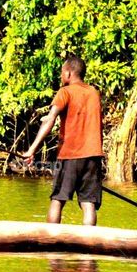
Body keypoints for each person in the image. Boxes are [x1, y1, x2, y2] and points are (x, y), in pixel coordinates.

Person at [21, 55, 104, 225]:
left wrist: (32, 150)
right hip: (93, 156)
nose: (61, 76)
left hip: (70, 155)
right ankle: (88, 244)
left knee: (57, 199)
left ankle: (51, 241)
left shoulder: (64, 92)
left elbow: (50, 119)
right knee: (88, 203)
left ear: (68, 74)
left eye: (61, 73)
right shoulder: (94, 93)